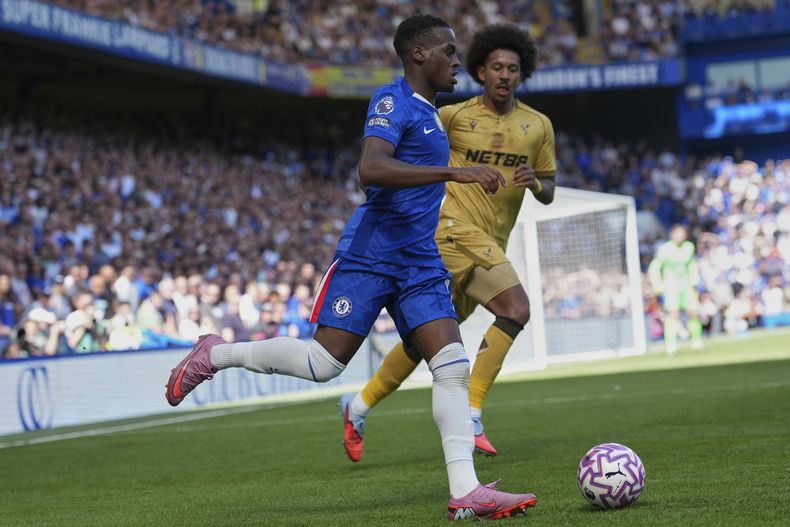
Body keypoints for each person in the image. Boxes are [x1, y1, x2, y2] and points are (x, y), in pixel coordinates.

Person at [165, 14, 537, 521]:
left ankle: (465, 491)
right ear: (419, 55)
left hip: (420, 259)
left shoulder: (433, 113)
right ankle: (216, 354)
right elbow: (371, 169)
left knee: (451, 365)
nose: (457, 61)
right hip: (371, 255)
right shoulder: (392, 101)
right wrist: (455, 170)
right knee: (324, 364)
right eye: (449, 52)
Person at [339, 23, 555, 461]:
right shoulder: (453, 115)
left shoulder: (538, 127)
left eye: (512, 69)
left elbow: (549, 188)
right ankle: (472, 412)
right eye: (496, 66)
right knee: (516, 308)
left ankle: (357, 405)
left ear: (522, 74)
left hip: (492, 241)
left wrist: (537, 184)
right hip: (449, 232)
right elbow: (404, 145)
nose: (504, 75)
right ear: (481, 70)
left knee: (426, 344)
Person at [648, 224, 703, 353]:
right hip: (671, 285)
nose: (680, 236)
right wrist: (658, 286)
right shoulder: (665, 249)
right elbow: (655, 267)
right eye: (677, 233)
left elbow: (692, 265)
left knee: (693, 312)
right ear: (671, 235)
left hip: (686, 285)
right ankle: (671, 344)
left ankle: (696, 341)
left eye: (682, 233)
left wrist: (695, 281)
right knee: (673, 314)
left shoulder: (689, 247)